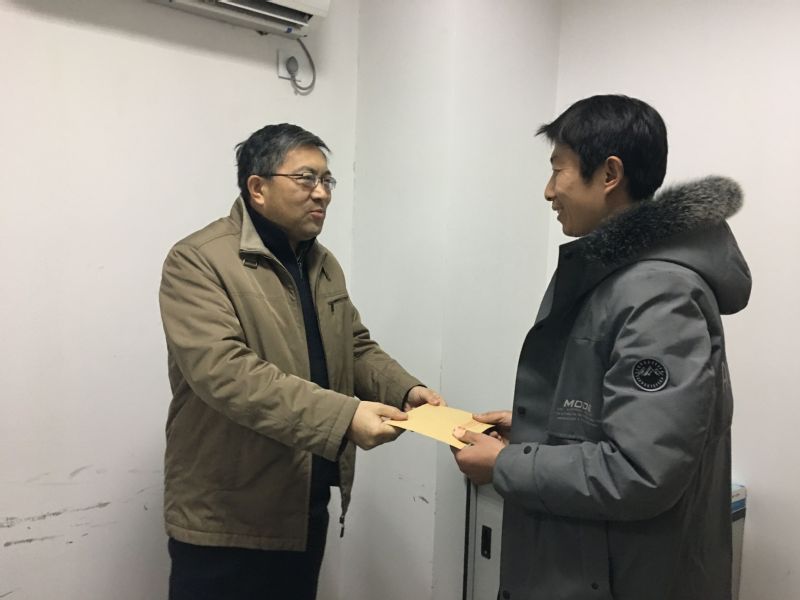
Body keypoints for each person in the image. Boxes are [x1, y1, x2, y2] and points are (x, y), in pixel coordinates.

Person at [452, 95, 750, 600]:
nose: (549, 191)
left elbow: (640, 471)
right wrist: (534, 429)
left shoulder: (658, 294)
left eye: (558, 170)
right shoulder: (616, 278)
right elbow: (611, 415)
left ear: (609, 174)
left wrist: (505, 465)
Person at [159, 123, 442, 600]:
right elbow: (226, 373)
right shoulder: (197, 261)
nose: (322, 193)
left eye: (327, 180)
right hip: (226, 516)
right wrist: (345, 417)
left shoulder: (322, 263)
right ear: (258, 187)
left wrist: (405, 389)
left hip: (303, 505)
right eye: (306, 178)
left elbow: (354, 346)